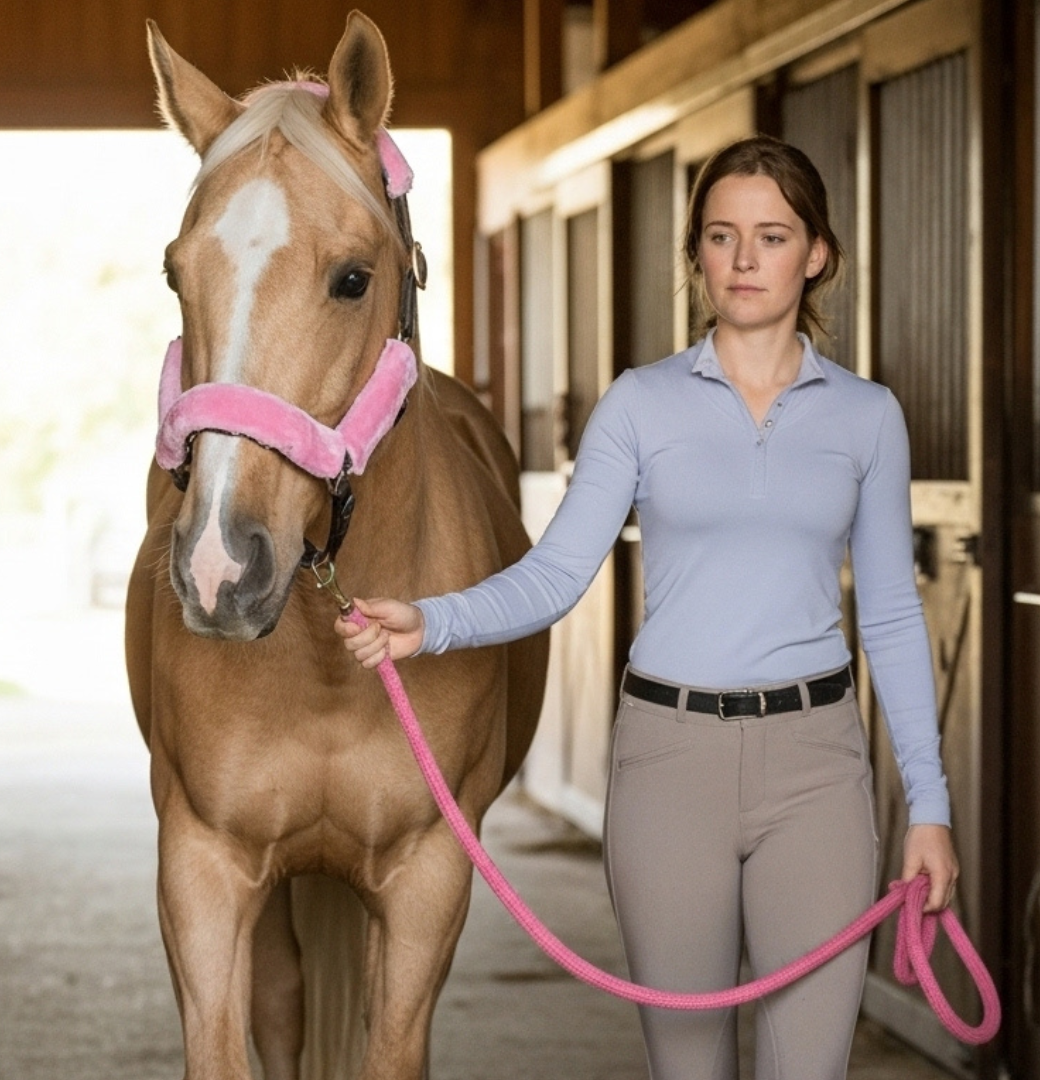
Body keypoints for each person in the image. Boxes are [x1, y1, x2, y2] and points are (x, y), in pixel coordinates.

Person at [336, 135, 959, 1080]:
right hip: (669, 764)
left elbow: (892, 618)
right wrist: (432, 622)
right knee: (688, 1066)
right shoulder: (639, 406)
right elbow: (554, 575)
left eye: (772, 235)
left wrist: (931, 805)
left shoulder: (868, 417)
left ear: (817, 253)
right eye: (721, 236)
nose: (744, 260)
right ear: (698, 254)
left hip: (818, 768)